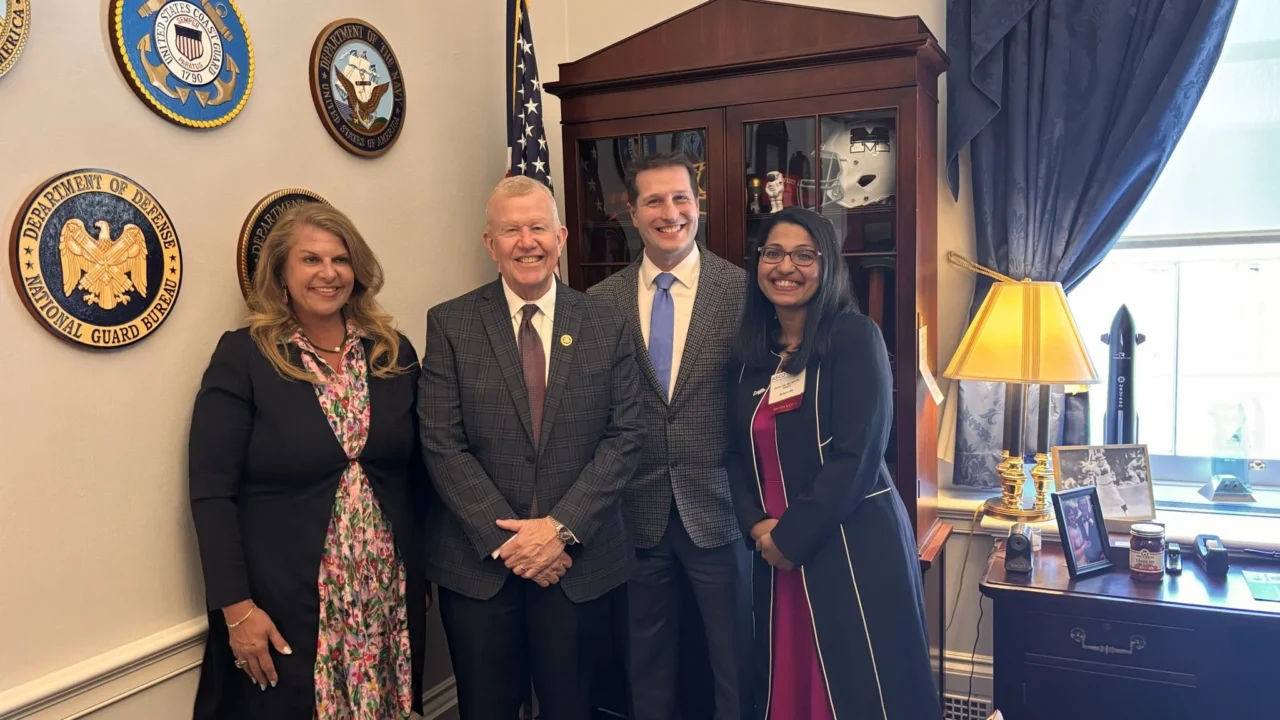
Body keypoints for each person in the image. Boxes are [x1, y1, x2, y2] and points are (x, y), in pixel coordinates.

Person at [188, 204, 428, 720]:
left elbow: (418, 476)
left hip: (385, 600)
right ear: (280, 273)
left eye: (341, 259)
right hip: (290, 604)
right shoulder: (246, 357)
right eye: (310, 259)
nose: (329, 273)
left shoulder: (391, 353)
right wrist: (236, 609)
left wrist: (422, 576)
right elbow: (212, 492)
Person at [419, 175, 644, 720]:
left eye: (538, 227)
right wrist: (514, 543)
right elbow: (442, 442)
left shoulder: (607, 323)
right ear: (489, 243)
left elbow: (626, 435)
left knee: (573, 708)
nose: (527, 242)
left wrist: (558, 529)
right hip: (481, 568)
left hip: (577, 562)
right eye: (511, 230)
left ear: (561, 236)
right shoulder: (450, 323)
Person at [725, 207, 940, 719]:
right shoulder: (750, 354)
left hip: (849, 542)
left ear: (828, 267)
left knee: (858, 686)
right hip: (772, 547)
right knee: (786, 678)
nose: (786, 267)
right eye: (773, 253)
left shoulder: (854, 336)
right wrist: (758, 527)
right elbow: (733, 452)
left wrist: (790, 538)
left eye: (805, 255)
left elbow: (859, 454)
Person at [586, 151, 752, 720]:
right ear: (631, 213)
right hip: (636, 510)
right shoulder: (600, 303)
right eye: (653, 200)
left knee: (735, 658)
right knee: (646, 661)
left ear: (698, 206)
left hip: (722, 510)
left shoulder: (742, 292)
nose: (669, 212)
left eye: (680, 198)